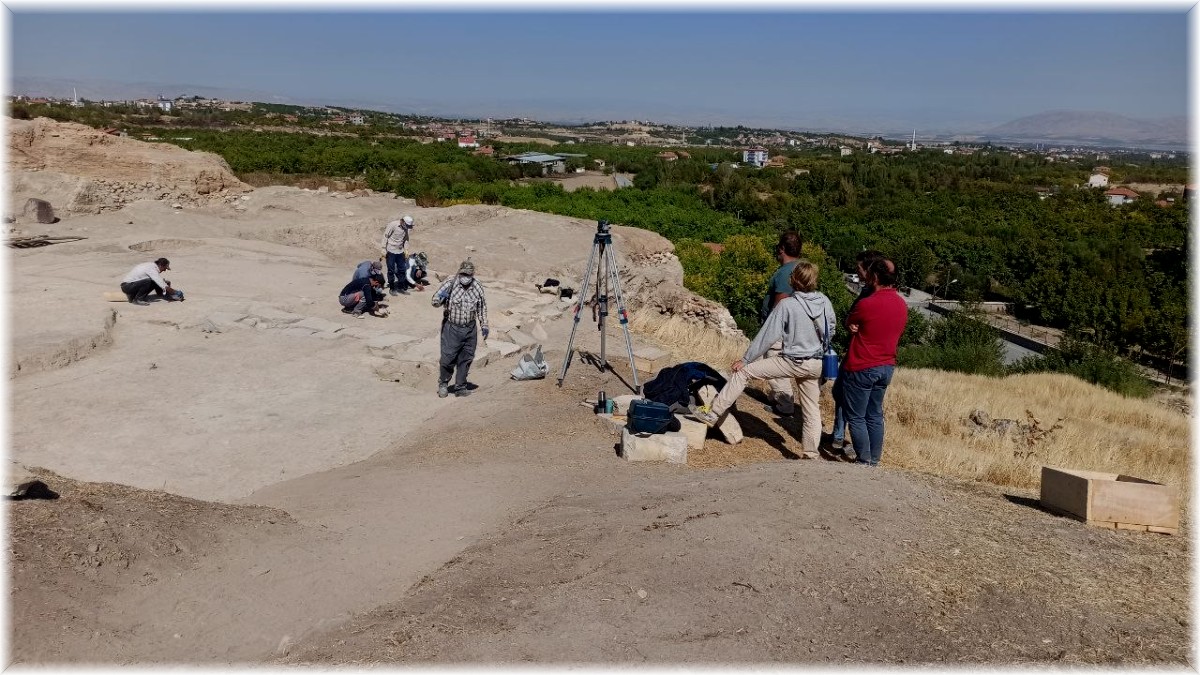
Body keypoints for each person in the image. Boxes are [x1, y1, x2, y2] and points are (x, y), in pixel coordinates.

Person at [694, 261, 835, 457]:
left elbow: (767, 335)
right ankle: (810, 453)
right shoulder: (824, 301)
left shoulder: (787, 304)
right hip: (816, 363)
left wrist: (746, 359)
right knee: (811, 409)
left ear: (793, 280)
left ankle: (713, 413)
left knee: (743, 372)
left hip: (793, 361)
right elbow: (832, 329)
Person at [841, 257, 908, 467]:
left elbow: (850, 321)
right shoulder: (901, 303)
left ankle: (864, 458)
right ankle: (875, 461)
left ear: (876, 277)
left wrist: (850, 326)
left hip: (862, 364)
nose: (866, 279)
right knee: (875, 414)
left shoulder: (866, 303)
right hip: (886, 366)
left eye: (869, 275)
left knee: (857, 416)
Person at [830, 249, 887, 458]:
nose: (857, 272)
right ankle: (839, 436)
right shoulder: (866, 291)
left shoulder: (875, 295)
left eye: (859, 269)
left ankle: (860, 451)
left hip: (865, 358)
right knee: (840, 393)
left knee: (861, 409)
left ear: (869, 269)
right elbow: (853, 316)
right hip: (857, 352)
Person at [761, 231, 804, 416]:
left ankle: (785, 404)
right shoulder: (802, 267)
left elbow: (781, 303)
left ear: (782, 249)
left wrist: (770, 326)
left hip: (779, 328)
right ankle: (776, 398)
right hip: (794, 328)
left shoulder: (786, 272)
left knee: (775, 361)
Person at [431, 260, 489, 398]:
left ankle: (460, 386)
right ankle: (443, 383)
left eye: (469, 275)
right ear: (460, 272)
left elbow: (482, 308)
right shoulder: (450, 283)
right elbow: (434, 301)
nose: (466, 277)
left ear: (472, 275)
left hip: (470, 328)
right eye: (463, 274)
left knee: (466, 357)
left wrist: (484, 325)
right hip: (452, 328)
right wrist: (440, 299)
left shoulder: (478, 287)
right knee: (448, 357)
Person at [381, 214, 415, 296]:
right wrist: (383, 248)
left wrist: (406, 250)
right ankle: (392, 288)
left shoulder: (406, 228)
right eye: (407, 225)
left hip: (400, 251)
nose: (407, 227)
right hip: (391, 251)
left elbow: (406, 239)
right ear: (403, 222)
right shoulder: (393, 225)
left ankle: (401, 287)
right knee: (391, 270)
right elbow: (385, 236)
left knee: (402, 270)